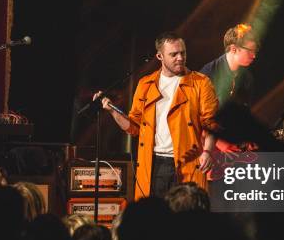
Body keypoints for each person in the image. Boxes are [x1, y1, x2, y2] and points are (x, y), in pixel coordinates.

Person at [95, 31, 219, 199]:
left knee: (187, 217)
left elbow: (211, 123)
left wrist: (208, 152)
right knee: (155, 219)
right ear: (160, 56)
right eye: (173, 54)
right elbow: (133, 127)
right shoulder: (146, 84)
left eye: (182, 53)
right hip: (154, 164)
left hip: (187, 162)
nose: (180, 58)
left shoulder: (200, 83)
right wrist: (112, 111)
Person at [200, 23, 258, 153]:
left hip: (230, 147)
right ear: (233, 49)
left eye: (255, 51)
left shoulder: (247, 79)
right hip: (205, 148)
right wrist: (220, 143)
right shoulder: (208, 74)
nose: (254, 55)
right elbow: (195, 116)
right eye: (249, 50)